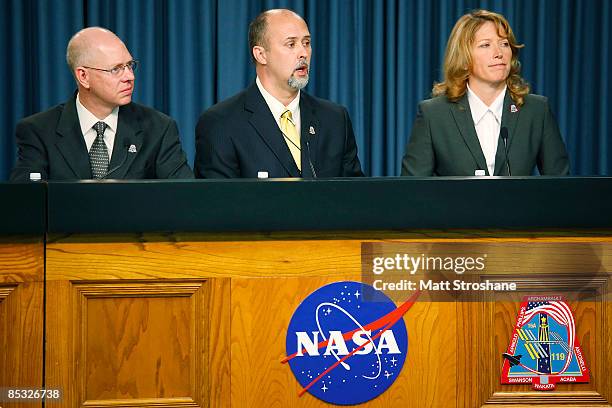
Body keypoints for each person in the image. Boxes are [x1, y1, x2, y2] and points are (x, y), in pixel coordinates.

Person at [195, 9, 363, 178]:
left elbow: (355, 196)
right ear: (261, 55)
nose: (303, 53)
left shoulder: (334, 119)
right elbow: (219, 201)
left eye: (306, 43)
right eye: (291, 44)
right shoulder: (221, 123)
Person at [10, 27, 193, 181]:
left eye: (129, 65)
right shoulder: (39, 131)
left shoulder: (158, 129)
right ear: (83, 76)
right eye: (116, 69)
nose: (130, 77)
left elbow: (184, 200)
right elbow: (27, 206)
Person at [401, 10, 569, 176]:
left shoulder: (537, 110)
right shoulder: (434, 114)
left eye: (504, 44)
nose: (499, 53)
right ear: (464, 59)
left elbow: (562, 188)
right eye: (485, 45)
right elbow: (411, 192)